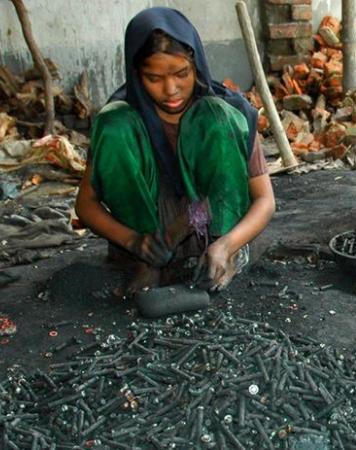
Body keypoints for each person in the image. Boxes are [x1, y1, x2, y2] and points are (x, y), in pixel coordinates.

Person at [75, 7, 274, 295]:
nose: (171, 89)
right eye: (154, 78)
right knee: (113, 122)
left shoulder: (228, 115)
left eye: (181, 74)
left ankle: (224, 258)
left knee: (214, 116)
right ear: (137, 74)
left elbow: (265, 200)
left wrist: (228, 244)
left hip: (212, 226)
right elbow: (85, 205)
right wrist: (134, 242)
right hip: (149, 231)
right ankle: (147, 262)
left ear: (197, 65)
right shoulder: (121, 123)